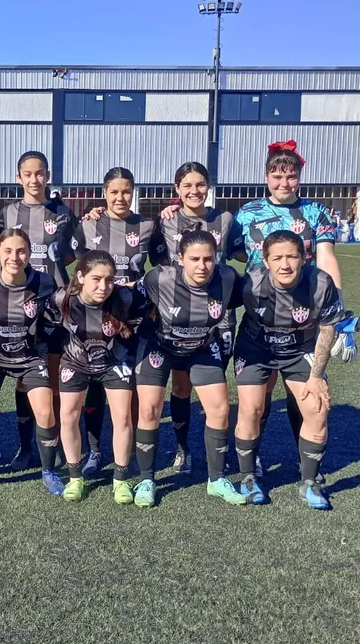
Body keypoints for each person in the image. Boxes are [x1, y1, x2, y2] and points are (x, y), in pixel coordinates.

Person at [161, 141, 347, 478]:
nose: (284, 183)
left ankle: (303, 463)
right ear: (266, 177)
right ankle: (251, 458)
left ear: (299, 177)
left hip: (303, 320)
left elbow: (327, 260)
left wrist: (341, 315)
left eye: (290, 177)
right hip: (260, 313)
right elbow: (228, 253)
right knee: (257, 393)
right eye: (277, 176)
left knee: (300, 392)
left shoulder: (316, 212)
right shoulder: (246, 214)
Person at [133, 227, 244, 507]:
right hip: (159, 346)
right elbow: (128, 299)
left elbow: (258, 296)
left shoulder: (227, 278)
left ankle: (216, 479)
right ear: (179, 258)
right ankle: (147, 478)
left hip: (201, 347)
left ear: (216, 258)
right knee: (149, 410)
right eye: (194, 259)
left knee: (219, 409)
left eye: (208, 259)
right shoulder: (158, 278)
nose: (202, 266)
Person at [233, 230, 344, 509]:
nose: (285, 264)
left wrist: (316, 376)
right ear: (266, 261)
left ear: (304, 257)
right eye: (278, 258)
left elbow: (327, 330)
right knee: (251, 409)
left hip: (300, 350)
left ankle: (310, 482)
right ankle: (248, 477)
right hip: (256, 348)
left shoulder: (320, 283)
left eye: (292, 256)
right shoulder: (251, 283)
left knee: (317, 408)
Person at [0, 151, 77, 471]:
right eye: (28, 174)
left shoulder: (64, 213)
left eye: (40, 173)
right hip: (17, 309)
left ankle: (58, 447)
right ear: (19, 177)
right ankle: (25, 448)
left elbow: (71, 254)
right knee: (25, 381)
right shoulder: (6, 214)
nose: (34, 179)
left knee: (53, 378)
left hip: (55, 307)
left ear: (47, 175)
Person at [150, 162, 238, 476]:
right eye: (187, 186)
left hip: (220, 316)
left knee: (216, 387)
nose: (194, 191)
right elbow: (157, 263)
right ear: (177, 189)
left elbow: (244, 253)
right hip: (180, 316)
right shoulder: (167, 220)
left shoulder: (225, 219)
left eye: (200, 184)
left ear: (208, 186)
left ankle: (219, 452)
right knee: (182, 386)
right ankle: (183, 449)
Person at [73, 167, 162, 477]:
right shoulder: (89, 224)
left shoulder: (148, 225)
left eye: (126, 191)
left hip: (135, 317)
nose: (120, 197)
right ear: (104, 193)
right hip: (96, 316)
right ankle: (95, 451)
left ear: (133, 192)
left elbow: (163, 267)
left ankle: (134, 448)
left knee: (132, 384)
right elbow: (75, 267)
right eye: (114, 191)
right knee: (96, 385)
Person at [0, 229, 60, 497]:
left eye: (21, 251)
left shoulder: (44, 282)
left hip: (31, 358)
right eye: (7, 251)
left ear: (29, 253)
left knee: (45, 412)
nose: (14, 257)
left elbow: (58, 313)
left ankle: (48, 471)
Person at [55, 251, 141, 503]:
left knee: (123, 417)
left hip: (114, 363)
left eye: (110, 279)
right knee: (68, 416)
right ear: (80, 276)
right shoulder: (62, 298)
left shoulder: (124, 297)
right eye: (96, 279)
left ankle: (121, 480)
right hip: (75, 362)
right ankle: (75, 477)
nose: (103, 286)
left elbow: (150, 291)